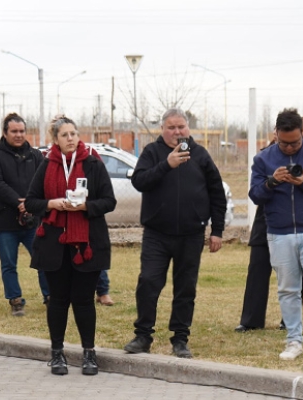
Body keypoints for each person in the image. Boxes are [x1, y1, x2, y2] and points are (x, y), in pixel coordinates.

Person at [125, 109, 227, 359]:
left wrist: (217, 231)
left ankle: (180, 339)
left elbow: (217, 193)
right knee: (148, 282)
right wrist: (166, 165)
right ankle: (143, 335)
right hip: (157, 234)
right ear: (162, 129)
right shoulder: (152, 153)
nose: (177, 131)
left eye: (181, 127)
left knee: (185, 288)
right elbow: (140, 181)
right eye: (171, 127)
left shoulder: (201, 155)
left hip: (191, 235)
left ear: (188, 128)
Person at [25, 117, 116, 376]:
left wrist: (85, 206)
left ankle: (89, 353)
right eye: (64, 134)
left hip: (87, 243)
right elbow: (32, 202)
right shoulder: (46, 165)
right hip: (54, 244)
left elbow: (109, 201)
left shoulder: (93, 163)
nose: (70, 138)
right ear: (55, 139)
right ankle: (57, 354)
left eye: (73, 133)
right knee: (58, 301)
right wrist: (51, 204)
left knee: (84, 301)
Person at [249, 109, 303, 365]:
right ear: (276, 134)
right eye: (284, 142)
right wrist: (271, 182)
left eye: (295, 142)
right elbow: (255, 195)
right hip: (279, 234)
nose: (289, 148)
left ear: (302, 134)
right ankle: (294, 341)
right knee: (288, 290)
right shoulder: (263, 159)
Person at [0, 113, 48, 316]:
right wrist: (19, 203)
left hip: (33, 221)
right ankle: (15, 299)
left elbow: (43, 182)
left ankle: (50, 296)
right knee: (9, 264)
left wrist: (31, 204)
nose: (19, 135)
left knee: (44, 260)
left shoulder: (36, 156)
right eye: (14, 131)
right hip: (5, 222)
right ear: (5, 132)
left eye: (22, 131)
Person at [235, 204, 274, 332]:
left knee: (293, 273)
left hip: (294, 220)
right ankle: (251, 320)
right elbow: (256, 190)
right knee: (257, 269)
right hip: (265, 219)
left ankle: (290, 321)